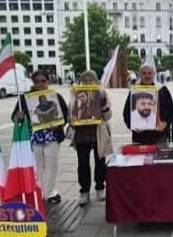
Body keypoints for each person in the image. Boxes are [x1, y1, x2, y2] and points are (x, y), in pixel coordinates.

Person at [12, 69, 69, 205]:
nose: (40, 84)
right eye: (37, 81)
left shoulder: (55, 97)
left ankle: (50, 192)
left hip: (52, 136)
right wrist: (18, 117)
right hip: (34, 136)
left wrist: (57, 124)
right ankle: (40, 191)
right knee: (38, 166)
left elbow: (64, 116)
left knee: (51, 165)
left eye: (43, 81)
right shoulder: (25, 99)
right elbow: (14, 117)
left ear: (48, 82)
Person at [69, 70, 111, 205]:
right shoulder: (76, 94)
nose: (87, 82)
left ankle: (100, 187)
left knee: (100, 162)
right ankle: (84, 191)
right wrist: (72, 118)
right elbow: (70, 114)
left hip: (97, 132)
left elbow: (108, 116)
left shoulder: (101, 94)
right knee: (83, 163)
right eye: (85, 80)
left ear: (96, 81)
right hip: (81, 134)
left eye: (90, 80)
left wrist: (103, 102)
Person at [123, 63, 173, 146]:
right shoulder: (134, 91)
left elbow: (171, 110)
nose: (147, 76)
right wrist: (133, 126)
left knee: (159, 158)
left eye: (149, 73)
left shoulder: (162, 90)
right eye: (144, 73)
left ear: (154, 75)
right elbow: (126, 113)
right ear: (139, 75)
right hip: (139, 137)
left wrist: (165, 123)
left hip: (159, 136)